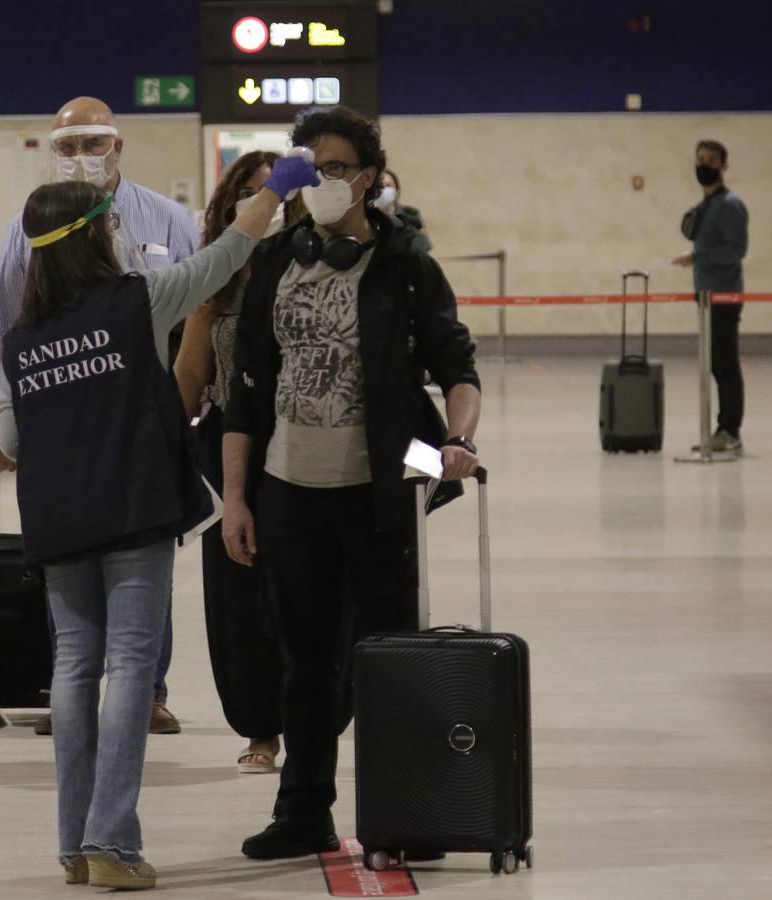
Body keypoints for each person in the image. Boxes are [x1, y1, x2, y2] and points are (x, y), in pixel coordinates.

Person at [0, 155, 318, 890]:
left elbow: (11, 443)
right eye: (110, 224)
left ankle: (76, 846)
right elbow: (228, 253)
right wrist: (276, 187)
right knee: (133, 667)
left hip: (58, 521)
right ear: (93, 238)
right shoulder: (133, 301)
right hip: (133, 513)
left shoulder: (20, 340)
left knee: (74, 669)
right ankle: (114, 840)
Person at [220, 107, 482, 861]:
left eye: (335, 168)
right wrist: (238, 497)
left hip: (380, 490)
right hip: (288, 492)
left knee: (389, 656)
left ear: (369, 176)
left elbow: (457, 369)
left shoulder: (406, 266)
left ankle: (406, 810)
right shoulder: (275, 262)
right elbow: (246, 393)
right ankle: (303, 810)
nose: (321, 182)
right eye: (309, 169)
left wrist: (458, 441)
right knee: (304, 661)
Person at [0, 95, 200, 736]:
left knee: (147, 547)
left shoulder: (167, 220)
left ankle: (149, 689)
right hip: (62, 411)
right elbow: (6, 322)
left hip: (144, 415)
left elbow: (197, 310)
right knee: (66, 546)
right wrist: (5, 411)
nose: (81, 158)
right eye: (68, 147)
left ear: (119, 147)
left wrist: (192, 395)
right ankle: (71, 691)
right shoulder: (28, 227)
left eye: (93, 144)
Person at [173, 150, 290, 776]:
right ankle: (260, 728)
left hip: (302, 437)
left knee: (304, 586)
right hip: (227, 446)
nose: (261, 203)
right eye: (249, 191)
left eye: (273, 192)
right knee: (239, 589)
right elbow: (191, 373)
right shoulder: (214, 280)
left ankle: (313, 716)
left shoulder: (311, 267)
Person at [673, 139, 748, 454]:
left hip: (724, 297)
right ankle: (718, 430)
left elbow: (736, 250)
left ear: (724, 166)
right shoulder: (706, 205)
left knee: (725, 364)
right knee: (715, 364)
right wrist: (696, 255)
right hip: (705, 296)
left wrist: (699, 255)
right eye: (700, 159)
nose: (704, 165)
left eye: (711, 160)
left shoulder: (730, 204)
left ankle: (730, 430)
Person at [372, 167, 433, 254]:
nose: (383, 190)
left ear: (396, 190)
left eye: (388, 185)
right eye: (379, 186)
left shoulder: (411, 216)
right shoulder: (363, 218)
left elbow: (422, 251)